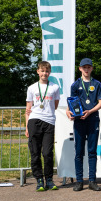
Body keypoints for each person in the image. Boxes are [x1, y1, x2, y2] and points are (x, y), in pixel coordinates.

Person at [67, 58, 101, 192]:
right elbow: (71, 103)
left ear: (92, 68)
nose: (86, 69)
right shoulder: (75, 85)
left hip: (93, 119)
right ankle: (79, 181)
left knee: (92, 151)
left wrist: (90, 111)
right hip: (79, 120)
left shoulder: (97, 84)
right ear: (80, 69)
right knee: (79, 151)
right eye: (84, 67)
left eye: (89, 67)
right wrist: (70, 112)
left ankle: (92, 181)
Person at [25, 60, 61, 192]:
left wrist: (47, 113)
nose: (44, 73)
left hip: (49, 121)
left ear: (49, 72)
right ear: (38, 72)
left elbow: (55, 106)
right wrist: (27, 126)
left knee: (47, 153)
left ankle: (49, 180)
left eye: (47, 71)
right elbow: (28, 108)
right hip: (34, 120)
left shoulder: (55, 87)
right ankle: (39, 180)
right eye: (42, 71)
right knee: (35, 152)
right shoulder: (32, 88)